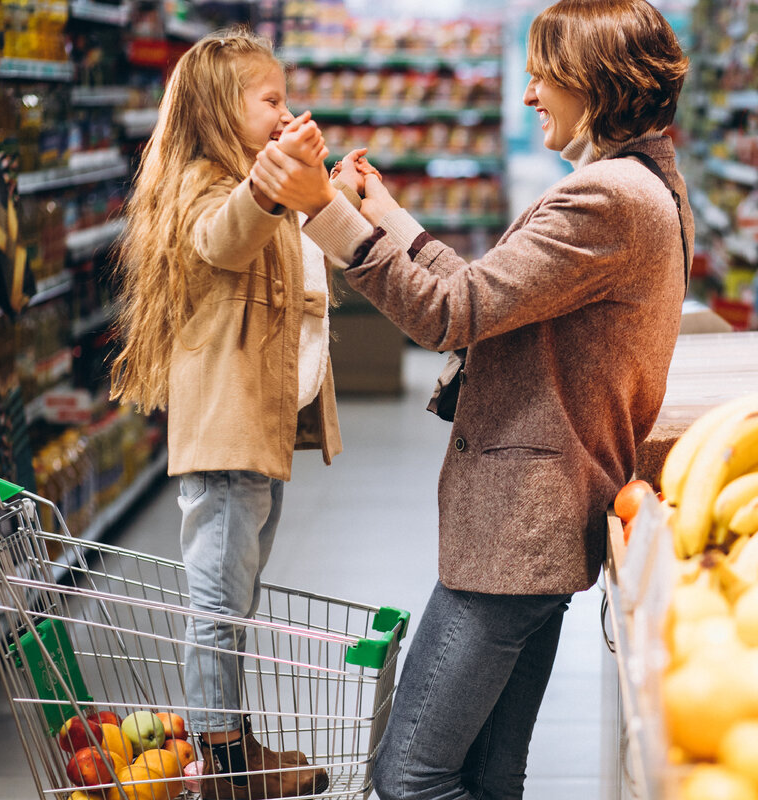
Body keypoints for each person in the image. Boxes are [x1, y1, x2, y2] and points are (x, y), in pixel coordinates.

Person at [249, 0, 691, 796]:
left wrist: (321, 211)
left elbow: (449, 316)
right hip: (544, 524)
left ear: (595, 80)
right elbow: (490, 300)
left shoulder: (606, 199)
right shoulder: (645, 185)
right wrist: (380, 215)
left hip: (517, 531)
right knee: (489, 775)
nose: (528, 96)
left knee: (410, 776)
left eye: (540, 76)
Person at [108, 28, 343, 800]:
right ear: (219, 107)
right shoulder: (208, 188)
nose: (285, 108)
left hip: (255, 433)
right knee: (217, 607)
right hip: (226, 433)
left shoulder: (245, 176)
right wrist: (275, 179)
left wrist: (324, 190)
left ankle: (234, 745)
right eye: (270, 99)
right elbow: (226, 237)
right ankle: (224, 764)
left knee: (233, 605)